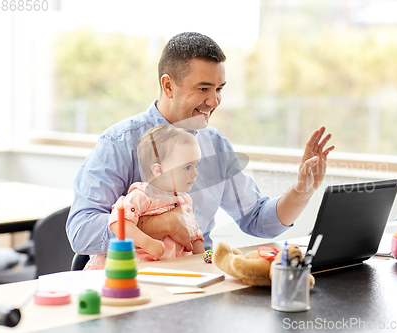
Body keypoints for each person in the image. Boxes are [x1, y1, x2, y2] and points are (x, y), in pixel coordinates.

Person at [67, 32, 334, 256]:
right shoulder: (120, 142)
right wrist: (160, 224)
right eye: (203, 89)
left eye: (219, 89)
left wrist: (302, 190)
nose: (215, 101)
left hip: (198, 280)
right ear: (168, 86)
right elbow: (81, 230)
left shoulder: (214, 144)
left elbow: (256, 219)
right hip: (135, 282)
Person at [83, 125, 204, 270]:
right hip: (131, 270)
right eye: (187, 167)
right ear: (159, 170)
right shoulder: (141, 195)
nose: (195, 174)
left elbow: (195, 236)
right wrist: (147, 243)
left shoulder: (184, 200)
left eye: (196, 166)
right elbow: (118, 223)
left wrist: (204, 261)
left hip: (167, 271)